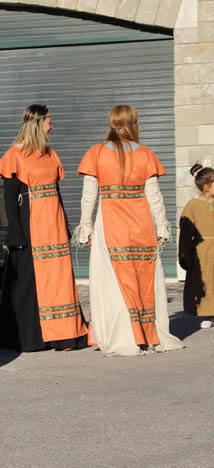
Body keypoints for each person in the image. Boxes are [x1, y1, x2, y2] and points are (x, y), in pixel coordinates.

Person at [75, 104, 183, 356]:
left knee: (112, 278)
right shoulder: (145, 154)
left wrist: (86, 226)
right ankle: (147, 335)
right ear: (134, 124)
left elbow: (88, 195)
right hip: (141, 223)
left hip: (111, 223)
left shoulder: (96, 153)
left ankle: (120, 334)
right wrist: (161, 227)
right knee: (143, 277)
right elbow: (154, 195)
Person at [0, 104, 89, 352]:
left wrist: (65, 223)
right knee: (29, 281)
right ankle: (31, 336)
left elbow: (56, 192)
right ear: (37, 123)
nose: (52, 126)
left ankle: (64, 335)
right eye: (48, 122)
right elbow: (9, 197)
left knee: (59, 280)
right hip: (30, 224)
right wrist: (15, 230)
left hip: (53, 224)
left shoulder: (50, 154)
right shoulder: (14, 155)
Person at [178, 160, 214, 328]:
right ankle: (208, 314)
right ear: (207, 186)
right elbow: (185, 233)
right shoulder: (193, 205)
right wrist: (185, 255)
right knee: (205, 282)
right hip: (203, 252)